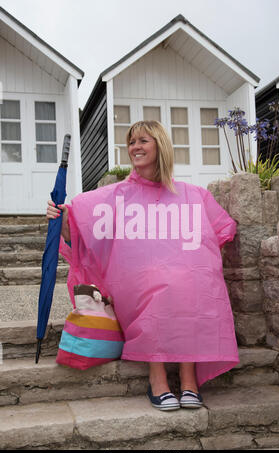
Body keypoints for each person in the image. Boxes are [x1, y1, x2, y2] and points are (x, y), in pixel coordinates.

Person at [46, 120, 239, 411]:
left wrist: (193, 260)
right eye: (132, 142)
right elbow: (82, 230)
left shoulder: (192, 194)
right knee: (158, 284)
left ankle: (189, 377)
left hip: (179, 277)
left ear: (160, 145)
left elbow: (222, 229)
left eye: (143, 141)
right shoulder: (117, 196)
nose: (135, 147)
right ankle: (157, 377)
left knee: (192, 281)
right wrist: (60, 218)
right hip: (135, 280)